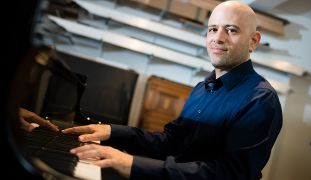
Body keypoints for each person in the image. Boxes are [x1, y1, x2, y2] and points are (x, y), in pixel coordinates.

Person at [62, 1, 283, 179]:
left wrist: (130, 163)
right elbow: (172, 142)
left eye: (231, 30)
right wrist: (112, 132)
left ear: (253, 41)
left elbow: (231, 174)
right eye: (213, 29)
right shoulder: (202, 88)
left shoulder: (261, 100)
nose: (218, 37)